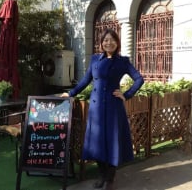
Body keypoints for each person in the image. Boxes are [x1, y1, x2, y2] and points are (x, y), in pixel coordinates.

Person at [61, 29, 144, 190]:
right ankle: (101, 175)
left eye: (112, 40)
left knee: (112, 142)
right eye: (105, 40)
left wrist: (126, 94)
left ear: (117, 43)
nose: (108, 43)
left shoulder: (123, 61)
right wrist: (70, 93)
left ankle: (110, 179)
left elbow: (139, 79)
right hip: (96, 108)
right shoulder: (95, 60)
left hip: (114, 108)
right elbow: (85, 80)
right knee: (97, 143)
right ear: (102, 43)